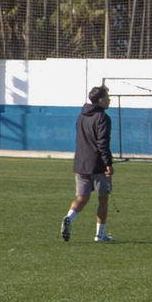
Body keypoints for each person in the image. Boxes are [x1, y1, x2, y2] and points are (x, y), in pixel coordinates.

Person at [63, 85, 114, 243]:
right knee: (103, 199)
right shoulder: (103, 117)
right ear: (100, 100)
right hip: (97, 164)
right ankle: (100, 234)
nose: (109, 100)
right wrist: (108, 163)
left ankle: (69, 218)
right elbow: (102, 143)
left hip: (81, 163)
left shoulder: (81, 116)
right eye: (107, 97)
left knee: (82, 198)